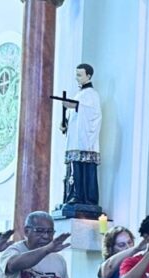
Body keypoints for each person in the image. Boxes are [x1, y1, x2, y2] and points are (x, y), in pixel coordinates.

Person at [61, 63, 102, 208]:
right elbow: (74, 117)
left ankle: (83, 197)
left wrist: (74, 105)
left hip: (85, 141)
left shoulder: (92, 95)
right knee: (73, 169)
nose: (76, 78)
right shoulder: (79, 94)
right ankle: (72, 195)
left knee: (83, 168)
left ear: (88, 76)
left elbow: (90, 113)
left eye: (80, 75)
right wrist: (65, 124)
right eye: (76, 74)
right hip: (75, 140)